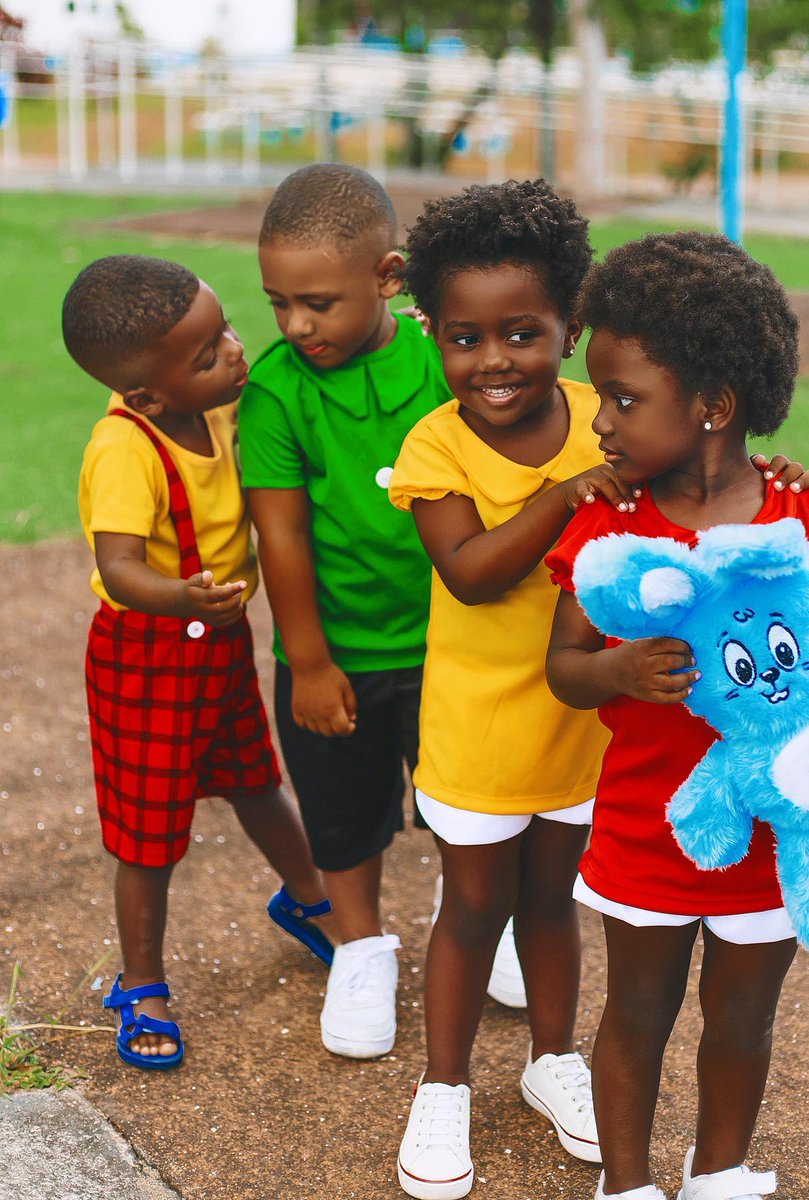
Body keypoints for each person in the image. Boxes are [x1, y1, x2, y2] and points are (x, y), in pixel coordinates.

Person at [387, 182, 809, 1200]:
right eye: (465, 338)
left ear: (568, 329)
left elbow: (699, 464)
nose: (493, 360)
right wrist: (558, 496)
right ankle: (442, 1086)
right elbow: (470, 572)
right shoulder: (436, 446)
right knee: (472, 903)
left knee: (552, 904)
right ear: (433, 337)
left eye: (523, 333)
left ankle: (551, 1062)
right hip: (482, 722)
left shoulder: (611, 416)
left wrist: (767, 467)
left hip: (590, 728)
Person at [544, 232, 809, 1200]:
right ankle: (622, 1185)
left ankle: (717, 1175)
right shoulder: (609, 528)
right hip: (646, 829)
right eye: (600, 398)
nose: (601, 425)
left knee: (742, 1023)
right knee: (634, 1014)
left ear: (713, 406)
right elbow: (564, 670)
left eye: (623, 399)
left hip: (780, 843)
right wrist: (617, 668)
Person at [237, 164, 525, 1062]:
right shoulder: (276, 392)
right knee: (340, 808)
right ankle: (360, 947)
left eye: (317, 303)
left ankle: (477, 917)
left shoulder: (445, 358)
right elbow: (279, 535)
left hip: (453, 639)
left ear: (389, 277)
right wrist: (311, 662)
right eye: (278, 303)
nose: (293, 326)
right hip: (338, 647)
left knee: (465, 799)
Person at [65, 255, 334, 1071]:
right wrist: (180, 597)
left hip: (215, 644)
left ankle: (311, 900)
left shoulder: (217, 405)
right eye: (209, 351)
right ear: (148, 396)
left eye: (223, 329)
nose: (235, 349)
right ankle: (141, 980)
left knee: (256, 777)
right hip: (143, 652)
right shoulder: (126, 446)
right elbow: (119, 568)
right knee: (149, 830)